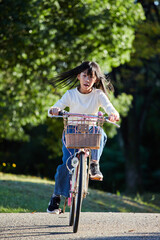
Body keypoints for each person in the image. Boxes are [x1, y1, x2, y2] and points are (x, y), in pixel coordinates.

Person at [47, 61, 119, 214]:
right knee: (66, 163)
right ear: (78, 76)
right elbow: (58, 105)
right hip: (72, 131)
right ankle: (56, 197)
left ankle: (94, 164)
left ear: (96, 80)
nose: (87, 80)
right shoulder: (71, 94)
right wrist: (55, 109)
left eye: (91, 77)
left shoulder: (98, 94)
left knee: (101, 133)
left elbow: (108, 107)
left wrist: (113, 114)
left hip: (91, 132)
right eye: (84, 76)